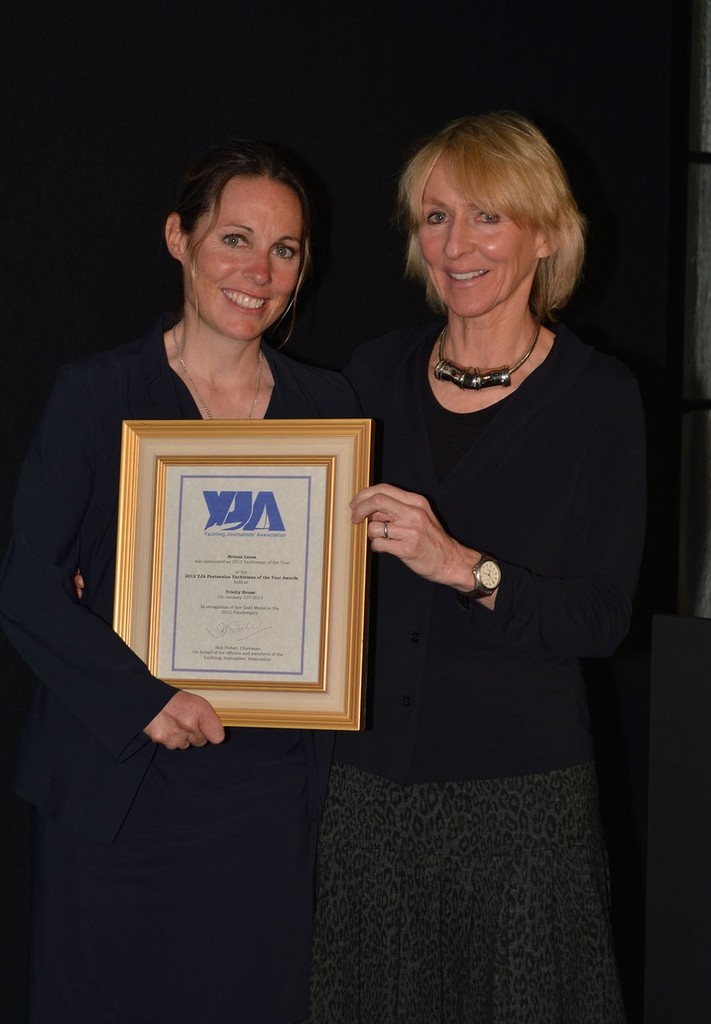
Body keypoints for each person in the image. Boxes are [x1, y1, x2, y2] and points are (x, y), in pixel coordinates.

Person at [0, 140, 358, 1024]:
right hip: (119, 787)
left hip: (265, 799)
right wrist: (144, 699)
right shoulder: (95, 393)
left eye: (285, 250)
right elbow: (28, 588)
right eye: (235, 239)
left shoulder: (329, 411)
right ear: (179, 238)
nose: (259, 271)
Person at [309, 112, 645, 1024]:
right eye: (435, 217)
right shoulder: (370, 376)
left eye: (486, 217)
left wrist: (464, 567)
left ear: (543, 234)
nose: (456, 245)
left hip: (521, 802)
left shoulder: (599, 398)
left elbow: (601, 618)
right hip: (370, 792)